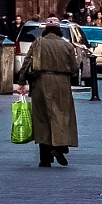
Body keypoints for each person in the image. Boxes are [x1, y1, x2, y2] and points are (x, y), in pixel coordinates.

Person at [22, 19, 80, 167]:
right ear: (59, 30)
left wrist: (21, 81)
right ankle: (58, 147)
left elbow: (27, 62)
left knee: (42, 119)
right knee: (60, 116)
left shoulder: (38, 43)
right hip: (62, 84)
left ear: (46, 30)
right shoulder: (67, 45)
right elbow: (74, 68)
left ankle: (45, 159)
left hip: (41, 83)